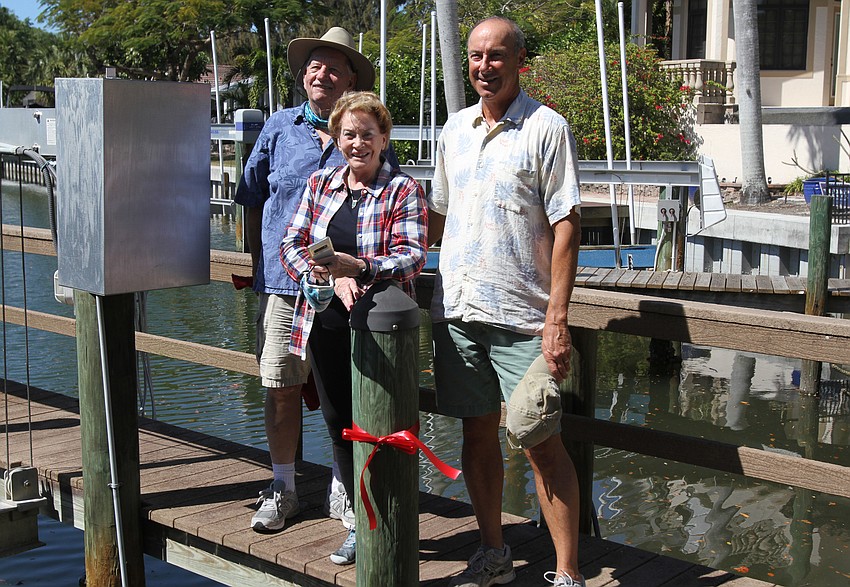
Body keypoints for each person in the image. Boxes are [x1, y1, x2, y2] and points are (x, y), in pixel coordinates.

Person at [428, 16, 585, 587]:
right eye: (475, 56)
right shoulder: (455, 129)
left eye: (496, 56)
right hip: (459, 311)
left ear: (519, 61)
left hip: (524, 317)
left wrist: (557, 319)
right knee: (476, 435)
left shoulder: (547, 128)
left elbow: (568, 224)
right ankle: (494, 551)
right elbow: (436, 217)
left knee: (539, 440)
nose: (483, 66)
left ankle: (568, 574)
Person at [234, 26, 387, 534]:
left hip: (348, 292)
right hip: (283, 284)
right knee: (280, 385)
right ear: (303, 76)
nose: (322, 74)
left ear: (350, 81)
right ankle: (283, 486)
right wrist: (259, 265)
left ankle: (344, 485)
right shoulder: (278, 129)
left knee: (344, 392)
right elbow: (253, 199)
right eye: (314, 66)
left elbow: (390, 204)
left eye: (334, 68)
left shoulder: (363, 133)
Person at [281, 90, 428, 565]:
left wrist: (359, 268)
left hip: (379, 329)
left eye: (368, 134)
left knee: (380, 427)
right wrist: (317, 273)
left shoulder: (402, 190)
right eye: (348, 134)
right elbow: (292, 241)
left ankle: (391, 523)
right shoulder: (321, 182)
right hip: (323, 320)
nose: (357, 143)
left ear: (384, 138)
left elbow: (413, 254)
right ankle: (359, 526)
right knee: (339, 423)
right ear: (336, 137)